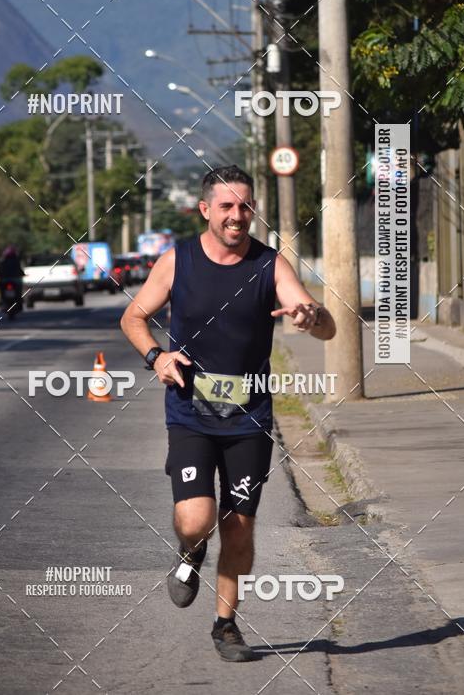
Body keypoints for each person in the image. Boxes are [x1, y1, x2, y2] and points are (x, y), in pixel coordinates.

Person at [120, 165, 335, 662]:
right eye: (227, 206)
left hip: (249, 420)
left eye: (245, 206)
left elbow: (323, 326)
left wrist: (312, 315)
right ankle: (191, 549)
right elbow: (133, 316)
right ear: (205, 210)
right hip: (190, 413)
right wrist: (156, 356)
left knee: (238, 526)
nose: (237, 216)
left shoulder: (269, 264)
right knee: (196, 519)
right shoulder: (178, 261)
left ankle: (226, 625)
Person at [0, 246, 25, 313]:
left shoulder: (3, 262)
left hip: (5, 281)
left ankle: (2, 301)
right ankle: (17, 302)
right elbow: (20, 271)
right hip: (15, 281)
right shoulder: (16, 261)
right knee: (19, 291)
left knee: (1, 289)